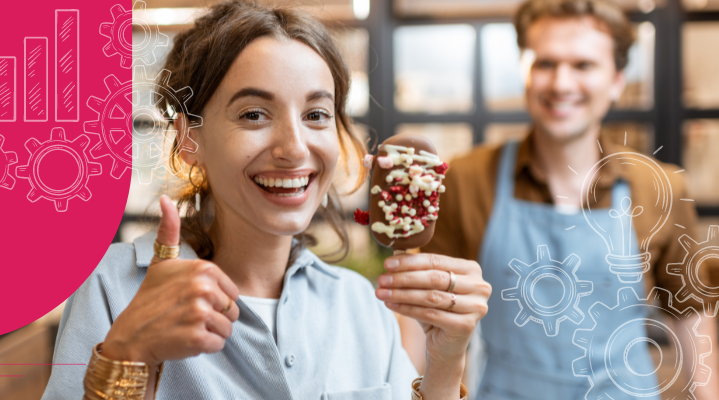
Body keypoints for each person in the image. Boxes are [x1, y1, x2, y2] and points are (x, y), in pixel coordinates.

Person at [41, 2, 490, 399]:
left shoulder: (360, 304)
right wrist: (129, 355)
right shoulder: (112, 287)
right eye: (254, 114)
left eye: (316, 115)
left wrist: (446, 362)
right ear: (188, 139)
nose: (294, 148)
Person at [420, 0, 719, 399]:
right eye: (545, 63)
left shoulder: (658, 187)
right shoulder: (466, 179)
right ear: (523, 70)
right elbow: (426, 313)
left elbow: (690, 314)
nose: (561, 83)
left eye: (583, 65)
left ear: (616, 79)